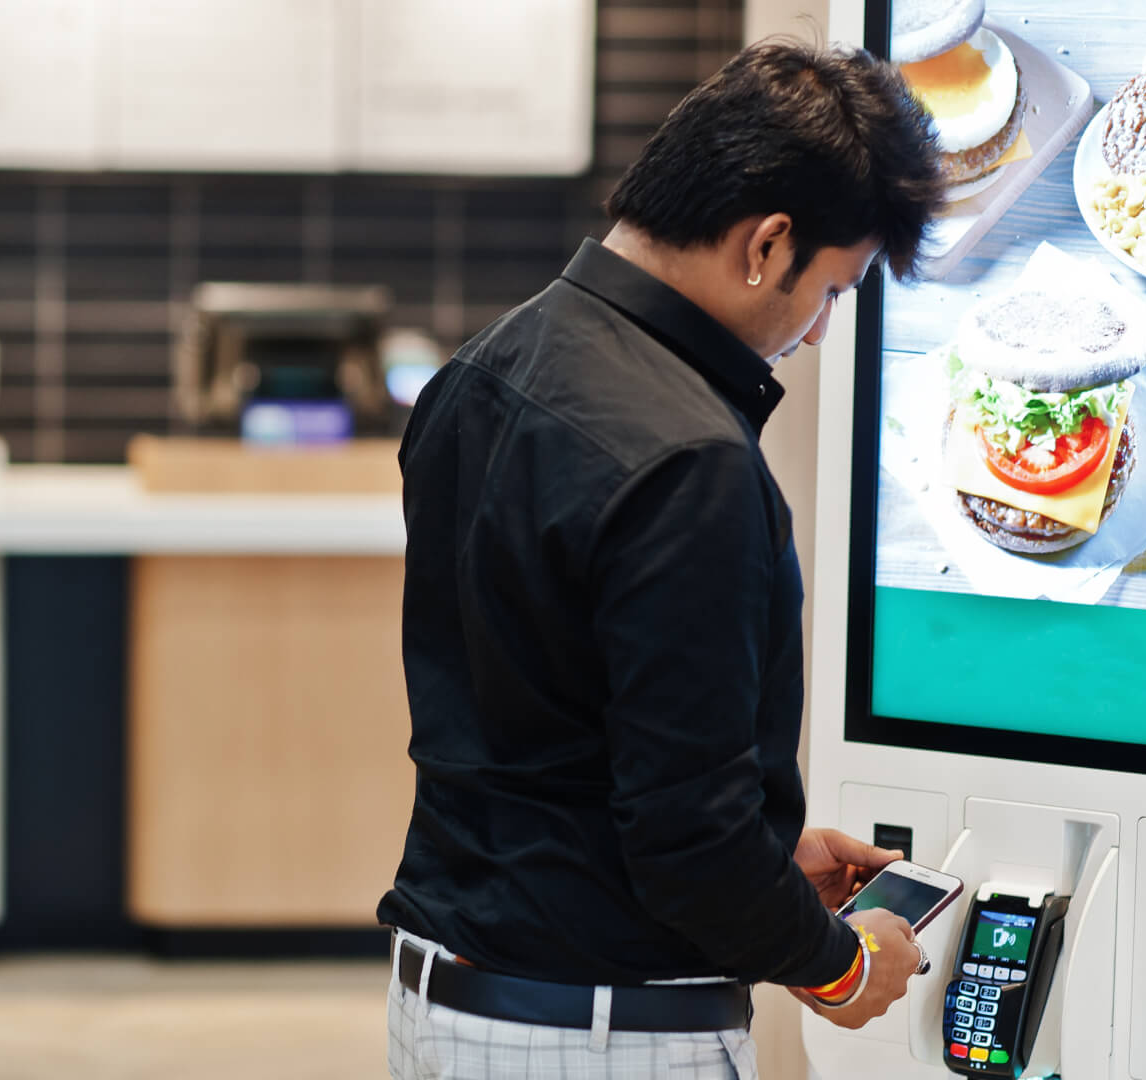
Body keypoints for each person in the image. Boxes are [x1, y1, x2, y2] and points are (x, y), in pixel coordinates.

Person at [379, 38, 946, 1079]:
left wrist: (768, 863)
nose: (818, 332)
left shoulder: (484, 365)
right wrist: (837, 964)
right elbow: (687, 842)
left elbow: (551, 731)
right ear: (767, 245)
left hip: (449, 1001)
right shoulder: (688, 459)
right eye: (835, 288)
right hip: (596, 1036)